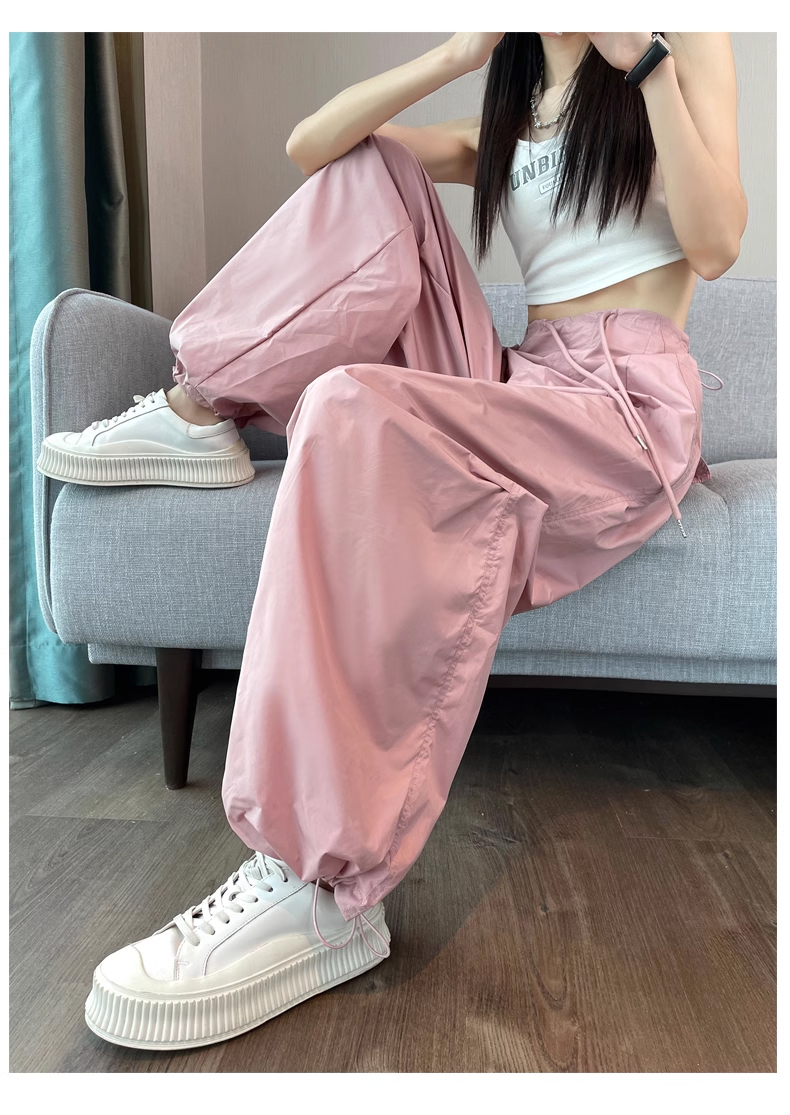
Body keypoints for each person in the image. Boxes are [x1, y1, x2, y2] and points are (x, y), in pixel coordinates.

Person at [38, 32, 744, 1051]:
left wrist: (648, 66)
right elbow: (314, 146)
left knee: (348, 405)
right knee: (371, 168)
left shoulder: (677, 48)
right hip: (521, 374)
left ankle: (319, 884)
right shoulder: (510, 112)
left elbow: (716, 244)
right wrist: (458, 53)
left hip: (619, 406)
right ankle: (203, 403)